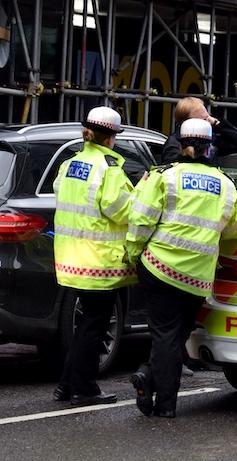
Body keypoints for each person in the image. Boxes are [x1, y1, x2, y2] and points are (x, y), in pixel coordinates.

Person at [126, 118, 237, 418]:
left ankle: (163, 401)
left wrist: (133, 254)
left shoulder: (163, 177)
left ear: (180, 145)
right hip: (197, 278)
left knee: (164, 334)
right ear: (210, 148)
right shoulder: (225, 185)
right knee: (177, 335)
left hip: (159, 267)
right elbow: (235, 231)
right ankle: (151, 381)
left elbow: (140, 220)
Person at [52, 106, 135, 406]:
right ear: (111, 137)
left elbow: (62, 195)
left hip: (72, 258)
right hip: (99, 261)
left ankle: (66, 386)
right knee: (93, 327)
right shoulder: (109, 169)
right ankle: (83, 389)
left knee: (87, 324)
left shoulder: (70, 164)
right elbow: (122, 210)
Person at [160, 96, 237, 165]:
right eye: (203, 120)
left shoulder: (208, 140)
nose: (207, 123)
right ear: (186, 122)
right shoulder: (174, 143)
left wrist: (217, 124)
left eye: (208, 118)